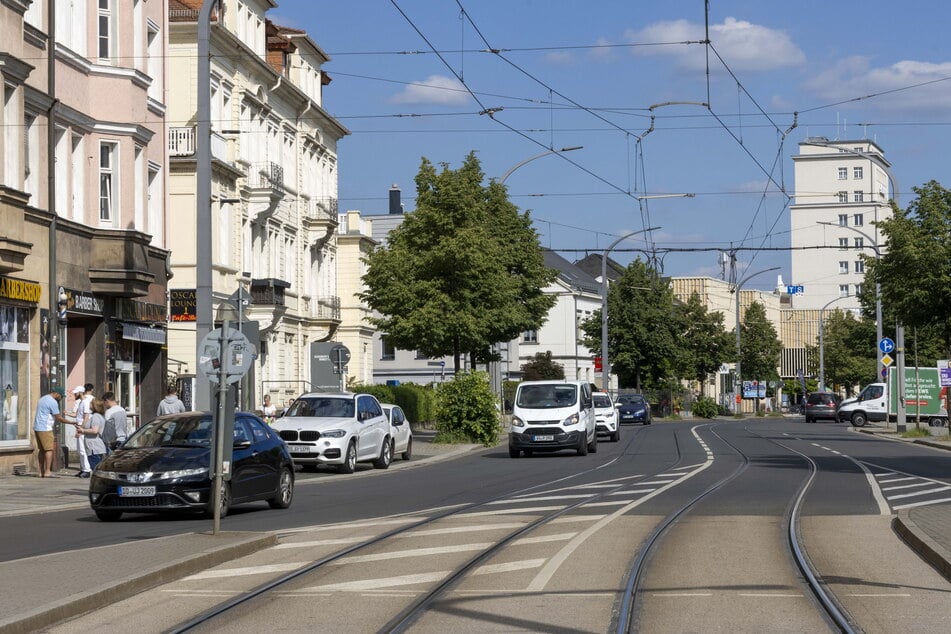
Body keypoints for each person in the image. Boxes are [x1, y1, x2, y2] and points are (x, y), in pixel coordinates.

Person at [33, 387, 68, 477]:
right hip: (45, 428)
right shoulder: (52, 402)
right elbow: (58, 417)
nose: (61, 398)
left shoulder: (42, 398)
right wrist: (72, 422)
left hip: (37, 427)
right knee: (49, 449)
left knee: (41, 450)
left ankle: (41, 471)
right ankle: (48, 471)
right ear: (57, 394)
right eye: (61, 396)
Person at [75, 398, 107, 474]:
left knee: (97, 471)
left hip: (94, 448)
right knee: (98, 470)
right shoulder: (99, 416)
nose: (89, 405)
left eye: (91, 403)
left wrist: (82, 430)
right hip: (94, 447)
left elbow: (95, 430)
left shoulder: (96, 416)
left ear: (94, 406)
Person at [71, 385, 92, 477]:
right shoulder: (81, 402)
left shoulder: (85, 402)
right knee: (80, 449)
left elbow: (86, 416)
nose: (74, 394)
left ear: (80, 392)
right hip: (79, 426)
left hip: (82, 427)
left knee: (83, 449)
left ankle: (86, 470)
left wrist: (81, 429)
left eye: (76, 393)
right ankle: (83, 468)